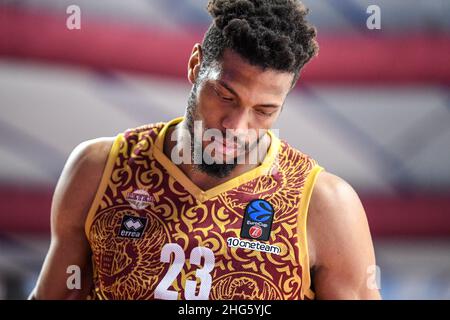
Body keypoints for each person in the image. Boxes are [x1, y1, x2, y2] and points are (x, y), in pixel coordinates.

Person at [30, 0, 380, 300]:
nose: (236, 126)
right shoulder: (99, 169)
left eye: (264, 111)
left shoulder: (324, 204)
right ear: (196, 66)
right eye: (225, 96)